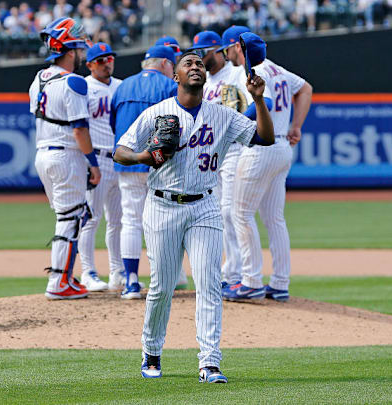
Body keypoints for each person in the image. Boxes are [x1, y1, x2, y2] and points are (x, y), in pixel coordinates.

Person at [113, 50, 274, 383]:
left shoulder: (222, 115)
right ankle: (152, 351)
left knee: (209, 283)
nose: (196, 67)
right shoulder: (157, 113)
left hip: (205, 206)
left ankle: (210, 362)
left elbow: (265, 137)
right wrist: (146, 155)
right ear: (176, 76)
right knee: (161, 286)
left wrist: (258, 101)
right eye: (188, 64)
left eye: (200, 64)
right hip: (162, 206)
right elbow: (120, 151)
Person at [224, 32, 313, 303]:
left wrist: (232, 122)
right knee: (274, 218)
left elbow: (268, 102)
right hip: (283, 147)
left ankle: (251, 281)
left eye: (227, 48)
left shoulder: (252, 71)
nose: (225, 53)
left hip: (261, 148)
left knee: (240, 214)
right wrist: (296, 125)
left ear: (238, 48)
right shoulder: (276, 67)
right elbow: (306, 88)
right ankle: (280, 282)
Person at [28, 17, 101, 300]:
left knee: (69, 216)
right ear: (70, 51)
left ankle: (64, 278)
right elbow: (79, 129)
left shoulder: (39, 78)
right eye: (79, 48)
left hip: (43, 154)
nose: (82, 53)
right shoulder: (73, 82)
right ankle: (59, 282)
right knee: (70, 218)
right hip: (66, 155)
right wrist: (93, 164)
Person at [196, 26, 272, 293]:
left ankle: (237, 273)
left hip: (234, 150)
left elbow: (261, 101)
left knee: (230, 211)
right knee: (217, 212)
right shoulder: (204, 81)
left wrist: (232, 125)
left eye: (202, 52)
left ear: (217, 50)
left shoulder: (237, 73)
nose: (199, 57)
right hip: (211, 152)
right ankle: (227, 272)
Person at [109, 45, 179, 299]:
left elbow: (113, 124)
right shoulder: (169, 86)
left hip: (127, 163)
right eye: (172, 64)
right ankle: (162, 282)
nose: (172, 69)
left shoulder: (122, 87)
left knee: (130, 221)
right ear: (163, 63)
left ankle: (130, 282)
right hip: (158, 164)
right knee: (162, 222)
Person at [78, 42, 124, 292]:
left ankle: (117, 271)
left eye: (110, 59)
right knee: (91, 219)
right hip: (96, 159)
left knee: (118, 221)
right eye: (100, 60)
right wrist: (87, 161)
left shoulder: (121, 86)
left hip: (120, 159)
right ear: (90, 65)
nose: (107, 64)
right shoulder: (83, 88)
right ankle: (88, 272)